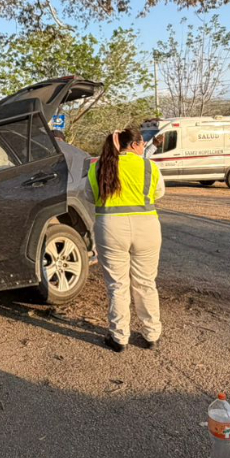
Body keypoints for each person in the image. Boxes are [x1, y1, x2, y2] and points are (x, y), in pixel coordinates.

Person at [88, 126, 165, 352]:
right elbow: (159, 193)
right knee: (146, 283)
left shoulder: (99, 167)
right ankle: (152, 335)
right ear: (133, 145)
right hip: (147, 227)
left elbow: (88, 195)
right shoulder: (150, 166)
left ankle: (119, 337)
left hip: (110, 228)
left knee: (117, 285)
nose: (144, 148)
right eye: (142, 144)